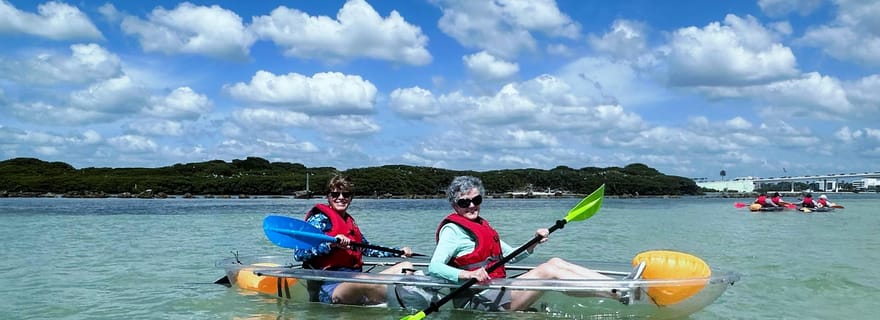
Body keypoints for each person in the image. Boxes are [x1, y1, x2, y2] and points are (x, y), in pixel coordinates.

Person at [427, 176, 643, 311]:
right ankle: (620, 293)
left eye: (477, 200)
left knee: (555, 261)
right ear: (455, 205)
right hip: (477, 301)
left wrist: (534, 243)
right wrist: (469, 274)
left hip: (496, 289)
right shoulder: (453, 230)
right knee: (548, 271)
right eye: (464, 202)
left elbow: (513, 254)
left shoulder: (482, 226)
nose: (472, 206)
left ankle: (621, 285)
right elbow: (434, 267)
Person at [294, 174, 414, 305]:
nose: (340, 198)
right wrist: (331, 244)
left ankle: (400, 299)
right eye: (335, 194)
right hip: (330, 286)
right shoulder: (318, 220)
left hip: (355, 279)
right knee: (364, 280)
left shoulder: (349, 221)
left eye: (345, 194)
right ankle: (403, 303)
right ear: (328, 197)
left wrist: (398, 252)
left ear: (351, 198)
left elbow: (366, 248)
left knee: (406, 266)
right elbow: (299, 254)